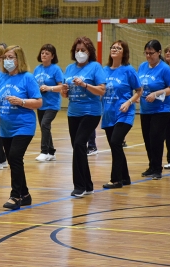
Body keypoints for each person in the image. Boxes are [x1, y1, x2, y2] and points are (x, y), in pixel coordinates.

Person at [0, 45, 42, 210]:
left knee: (14, 157)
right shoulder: (3, 78)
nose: (7, 60)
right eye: (5, 57)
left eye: (11, 57)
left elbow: (38, 102)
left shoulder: (27, 78)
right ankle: (25, 194)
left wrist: (21, 102)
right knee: (14, 162)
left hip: (23, 126)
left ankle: (15, 196)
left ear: (18, 59)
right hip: (5, 127)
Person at [60, 36, 106, 197]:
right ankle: (88, 185)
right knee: (77, 148)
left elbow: (101, 90)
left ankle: (79, 186)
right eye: (77, 50)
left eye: (83, 50)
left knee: (80, 144)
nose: (80, 53)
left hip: (91, 112)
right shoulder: (69, 68)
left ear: (89, 52)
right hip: (73, 112)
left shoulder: (95, 67)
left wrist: (85, 85)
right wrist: (64, 91)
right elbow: (65, 94)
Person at [101, 40, 142, 189]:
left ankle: (116, 179)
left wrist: (129, 102)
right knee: (115, 146)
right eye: (113, 47)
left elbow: (139, 91)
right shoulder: (104, 70)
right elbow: (100, 90)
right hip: (108, 114)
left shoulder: (129, 70)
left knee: (116, 142)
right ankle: (125, 177)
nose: (115, 49)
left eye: (118, 48)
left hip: (124, 114)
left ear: (123, 53)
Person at [138, 39, 170, 180]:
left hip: (161, 109)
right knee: (147, 139)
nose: (148, 56)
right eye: (146, 53)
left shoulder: (164, 68)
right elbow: (140, 86)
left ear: (159, 53)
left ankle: (157, 168)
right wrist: (137, 95)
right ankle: (151, 166)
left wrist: (157, 93)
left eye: (151, 53)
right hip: (145, 109)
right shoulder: (142, 66)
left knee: (156, 137)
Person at [33, 44, 64, 162]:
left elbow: (61, 87)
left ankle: (44, 151)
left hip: (52, 104)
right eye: (42, 53)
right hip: (41, 104)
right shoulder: (37, 69)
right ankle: (51, 152)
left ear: (52, 56)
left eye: (47, 53)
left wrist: (49, 88)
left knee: (45, 124)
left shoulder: (56, 69)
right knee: (44, 127)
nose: (44, 55)